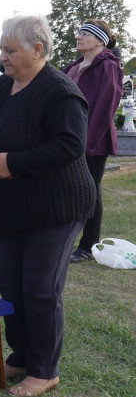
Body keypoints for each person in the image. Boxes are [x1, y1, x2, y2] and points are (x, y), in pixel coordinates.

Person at [0, 15, 95, 397]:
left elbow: (70, 145)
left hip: (55, 209)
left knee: (40, 288)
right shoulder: (0, 88)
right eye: (3, 50)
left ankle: (45, 369)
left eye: (10, 50)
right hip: (11, 208)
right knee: (10, 285)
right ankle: (21, 355)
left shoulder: (59, 92)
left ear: (37, 50)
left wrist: (14, 163)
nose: (4, 57)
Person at [63, 20, 123, 263]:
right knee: (70, 189)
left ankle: (88, 245)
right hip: (69, 137)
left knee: (91, 189)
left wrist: (86, 143)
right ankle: (66, 239)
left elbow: (105, 107)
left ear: (100, 41)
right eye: (79, 31)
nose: (79, 36)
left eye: (85, 33)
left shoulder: (107, 66)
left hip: (92, 140)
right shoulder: (74, 66)